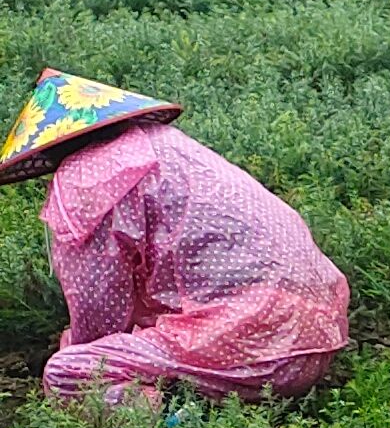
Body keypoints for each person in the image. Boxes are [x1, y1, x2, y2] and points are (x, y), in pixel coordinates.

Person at [0, 69, 349, 404]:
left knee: (70, 372)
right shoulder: (168, 146)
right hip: (316, 333)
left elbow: (98, 308)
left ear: (47, 148)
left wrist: (81, 350)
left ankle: (171, 426)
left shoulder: (87, 180)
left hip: (251, 347)